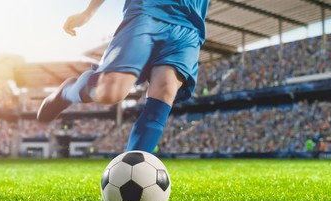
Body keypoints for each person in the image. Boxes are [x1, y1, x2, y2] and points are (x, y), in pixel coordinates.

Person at [37, 0, 210, 153]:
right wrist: (88, 12)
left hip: (190, 24)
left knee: (165, 91)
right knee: (110, 92)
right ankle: (67, 91)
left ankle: (133, 165)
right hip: (147, 10)